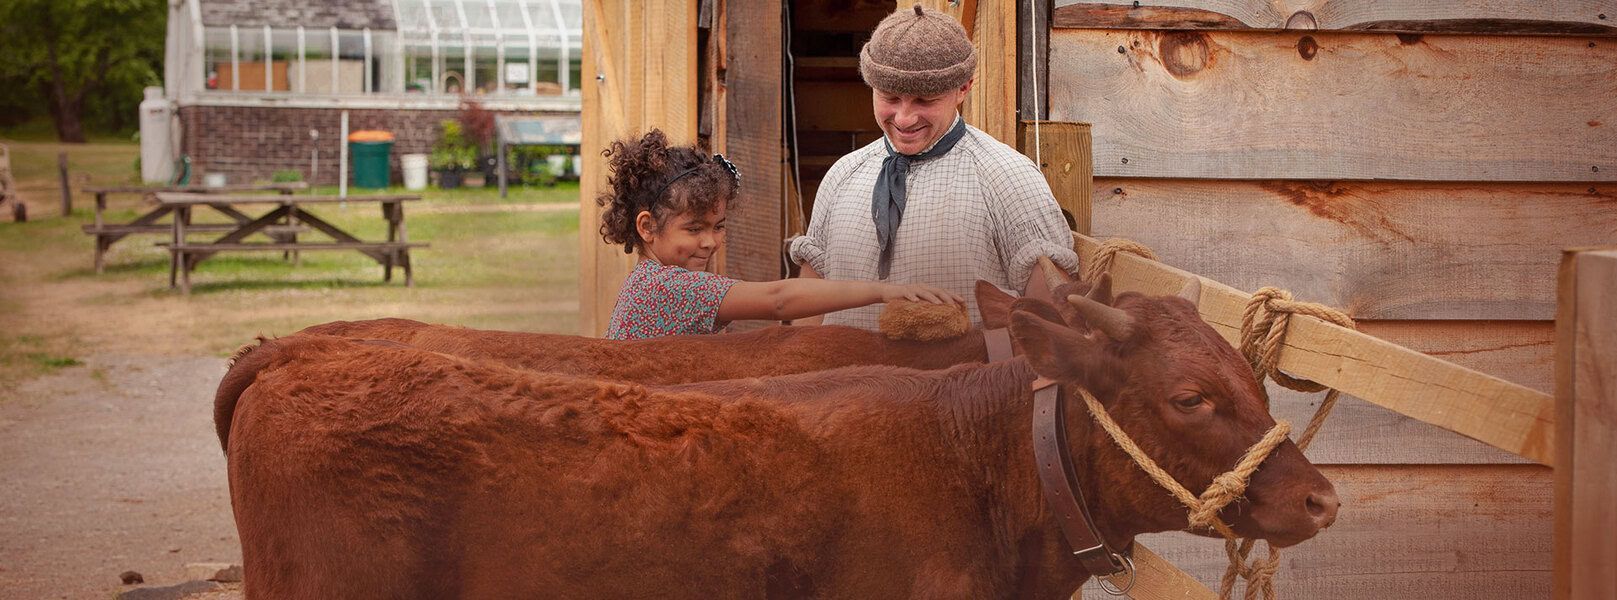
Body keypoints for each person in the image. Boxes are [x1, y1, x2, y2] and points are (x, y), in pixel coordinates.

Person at [787, 4, 1079, 330]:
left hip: (958, 381)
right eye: (890, 98)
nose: (904, 118)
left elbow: (1051, 316)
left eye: (924, 101)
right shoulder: (843, 174)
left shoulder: (1008, 177)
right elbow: (810, 303)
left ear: (963, 88)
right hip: (843, 379)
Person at [598, 129, 961, 341]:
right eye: (693, 229)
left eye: (718, 226)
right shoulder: (666, 286)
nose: (709, 242)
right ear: (647, 227)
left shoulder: (647, 281)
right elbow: (778, 300)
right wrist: (884, 291)